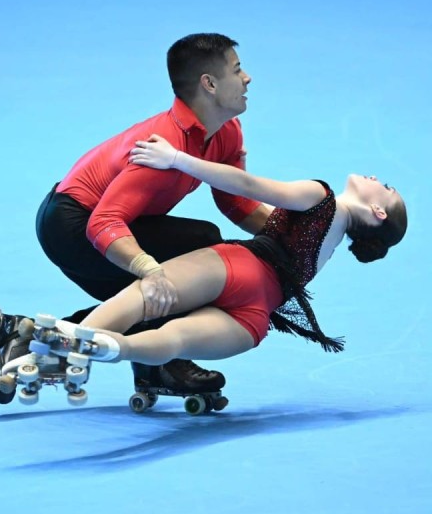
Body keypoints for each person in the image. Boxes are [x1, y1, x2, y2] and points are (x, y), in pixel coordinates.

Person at [0, 33, 272, 403]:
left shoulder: (226, 132)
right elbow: (103, 223)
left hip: (116, 225)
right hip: (72, 225)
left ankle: (31, 337)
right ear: (209, 84)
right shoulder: (161, 148)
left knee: (174, 278)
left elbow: (238, 205)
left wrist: (300, 236)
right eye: (237, 70)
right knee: (201, 249)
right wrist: (150, 270)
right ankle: (151, 362)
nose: (247, 78)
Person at [58, 140, 407, 371]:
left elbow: (247, 186)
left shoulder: (320, 196)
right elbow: (268, 220)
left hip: (237, 268)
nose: (377, 178)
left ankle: (61, 348)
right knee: (175, 339)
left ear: (378, 211)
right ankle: (119, 348)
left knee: (140, 299)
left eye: (386, 187)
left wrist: (177, 158)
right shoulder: (333, 235)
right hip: (256, 316)